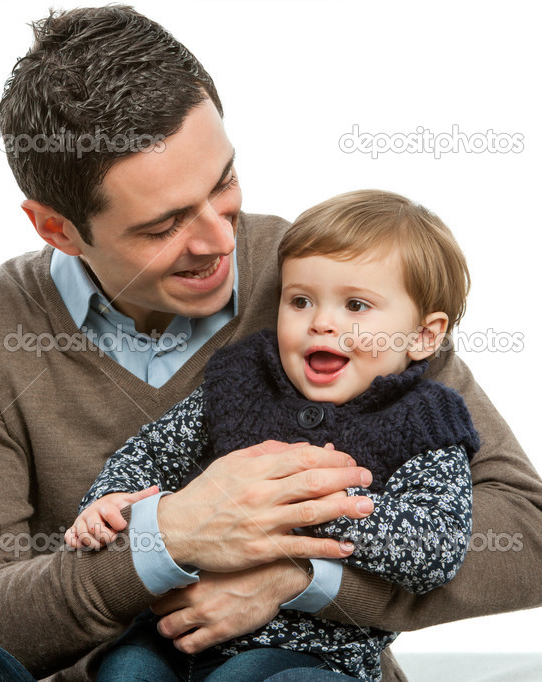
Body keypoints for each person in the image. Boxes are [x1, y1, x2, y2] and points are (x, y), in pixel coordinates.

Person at [0, 6, 542, 682]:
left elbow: (534, 542)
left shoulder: (327, 285)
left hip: (296, 667)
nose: (217, 240)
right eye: (163, 225)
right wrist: (161, 545)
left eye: (222, 182)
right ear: (57, 229)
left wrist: (299, 578)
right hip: (124, 667)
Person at [66, 189, 480, 682]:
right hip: (173, 632)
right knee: (125, 670)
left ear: (423, 337)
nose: (322, 323)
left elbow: (434, 548)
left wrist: (319, 507)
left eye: (356, 305)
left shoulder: (425, 420)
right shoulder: (244, 379)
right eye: (301, 301)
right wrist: (110, 501)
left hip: (307, 649)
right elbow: (153, 450)